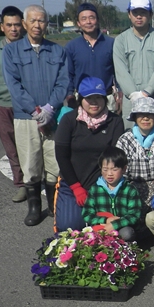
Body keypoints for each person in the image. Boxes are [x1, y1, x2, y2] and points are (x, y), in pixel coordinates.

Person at [2, 4, 68, 226]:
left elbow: (63, 82)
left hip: (53, 116)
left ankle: (53, 204)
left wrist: (50, 108)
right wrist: (34, 110)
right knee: (31, 163)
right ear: (24, 24)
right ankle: (34, 208)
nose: (37, 25)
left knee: (54, 162)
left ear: (46, 24)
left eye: (41, 21)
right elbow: (14, 85)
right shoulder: (12, 52)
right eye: (33, 21)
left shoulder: (57, 51)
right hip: (26, 117)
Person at [54, 77, 124, 231]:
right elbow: (61, 156)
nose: (94, 102)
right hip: (73, 183)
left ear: (105, 99)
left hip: (104, 185)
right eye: (89, 98)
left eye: (98, 97)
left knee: (112, 228)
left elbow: (115, 159)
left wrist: (102, 189)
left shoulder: (115, 121)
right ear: (81, 99)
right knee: (70, 227)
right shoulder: (69, 120)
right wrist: (76, 187)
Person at [0, 5, 26, 202]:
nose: (14, 29)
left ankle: (36, 181)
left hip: (26, 105)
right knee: (11, 146)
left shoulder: (29, 48)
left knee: (30, 145)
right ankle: (21, 184)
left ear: (23, 25)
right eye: (9, 25)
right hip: (4, 105)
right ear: (2, 27)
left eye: (17, 25)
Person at [113, 0, 154, 129]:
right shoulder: (121, 40)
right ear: (129, 14)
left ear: (150, 15)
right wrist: (134, 94)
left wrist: (146, 92)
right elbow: (120, 71)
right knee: (131, 142)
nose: (139, 16)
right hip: (131, 102)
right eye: (135, 13)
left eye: (143, 13)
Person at [116, 97, 154, 210]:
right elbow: (120, 173)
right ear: (135, 117)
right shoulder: (124, 140)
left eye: (150, 114)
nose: (145, 118)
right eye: (141, 114)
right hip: (133, 189)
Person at [65, 3, 120, 113]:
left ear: (98, 20)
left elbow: (118, 72)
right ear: (78, 23)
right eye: (84, 19)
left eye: (92, 18)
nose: (88, 22)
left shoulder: (112, 44)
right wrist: (69, 95)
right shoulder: (71, 47)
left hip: (107, 98)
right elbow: (68, 74)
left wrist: (120, 95)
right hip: (82, 99)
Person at [82, 147, 142, 241]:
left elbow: (134, 216)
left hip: (122, 227)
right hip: (101, 226)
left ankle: (124, 250)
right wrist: (105, 220)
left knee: (127, 234)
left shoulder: (130, 190)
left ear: (124, 169)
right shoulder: (95, 189)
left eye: (114, 169)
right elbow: (86, 214)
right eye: (105, 169)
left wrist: (114, 224)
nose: (109, 173)